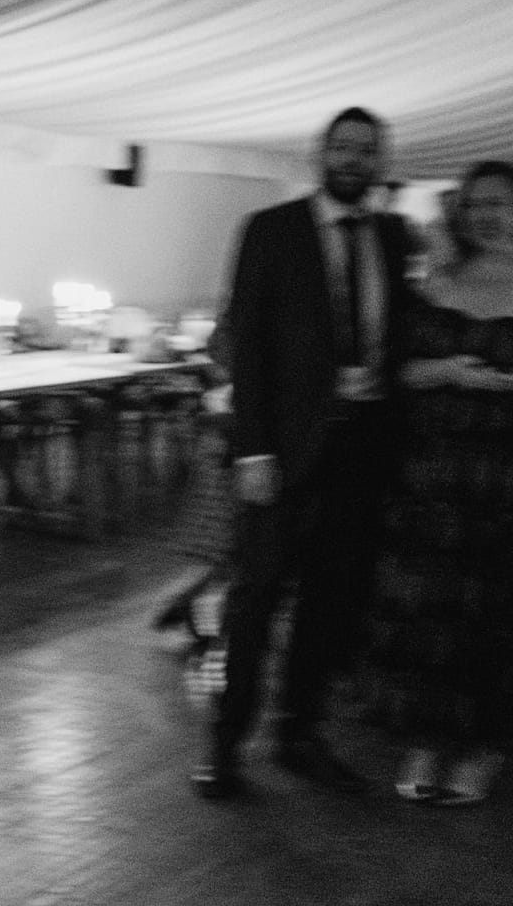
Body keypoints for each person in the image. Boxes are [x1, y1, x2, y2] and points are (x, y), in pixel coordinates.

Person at [192, 106, 414, 800]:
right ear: (322, 155)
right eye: (343, 148)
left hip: (363, 447)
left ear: (378, 163)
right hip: (283, 452)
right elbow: (248, 345)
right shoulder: (272, 230)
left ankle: (301, 735)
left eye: (366, 151)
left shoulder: (393, 237)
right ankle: (225, 745)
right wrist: (253, 450)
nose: (353, 160)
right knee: (256, 599)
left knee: (329, 600)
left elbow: (402, 339)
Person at [363, 160, 513, 806]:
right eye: (472, 205)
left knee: (498, 608)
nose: (483, 215)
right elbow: (401, 375)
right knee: (430, 606)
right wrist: (446, 372)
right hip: (434, 471)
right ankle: (427, 739)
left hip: (511, 473)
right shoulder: (439, 280)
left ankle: (487, 745)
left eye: (495, 203)